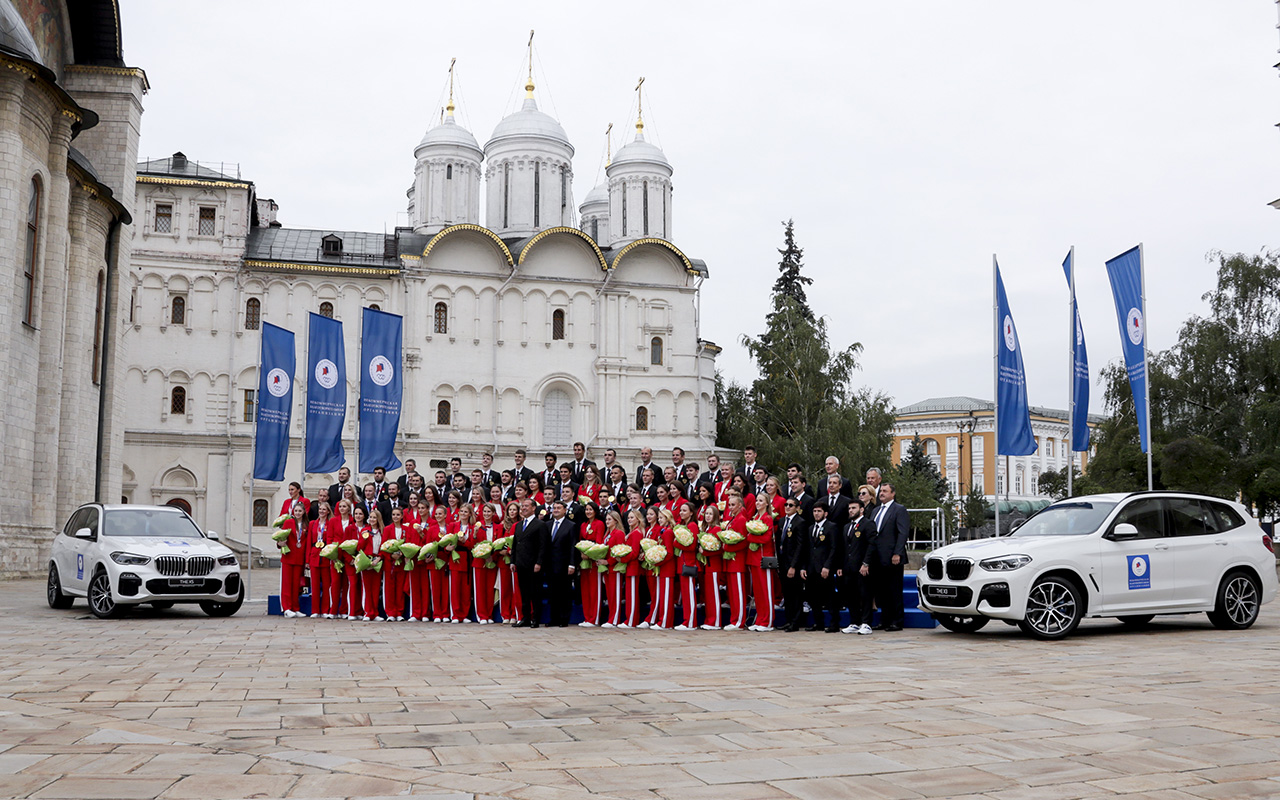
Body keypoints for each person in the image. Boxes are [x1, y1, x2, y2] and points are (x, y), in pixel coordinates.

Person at [871, 483, 909, 631]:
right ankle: (884, 620)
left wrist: (897, 553)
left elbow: (902, 533)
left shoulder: (899, 510)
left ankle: (897, 621)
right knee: (881, 591)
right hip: (878, 557)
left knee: (894, 590)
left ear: (893, 494)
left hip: (893, 556)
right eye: (881, 491)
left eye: (885, 491)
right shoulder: (875, 511)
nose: (881, 493)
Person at [840, 497, 878, 636]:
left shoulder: (868, 524)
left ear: (861, 509)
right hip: (849, 567)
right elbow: (845, 548)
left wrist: (866, 563)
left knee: (865, 594)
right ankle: (854, 622)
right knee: (851, 595)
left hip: (863, 566)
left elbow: (872, 545)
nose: (851, 511)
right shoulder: (846, 526)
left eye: (854, 508)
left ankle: (866, 623)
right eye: (849, 508)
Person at [803, 503, 842, 632]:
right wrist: (804, 567)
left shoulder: (831, 527)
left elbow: (834, 548)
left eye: (819, 511)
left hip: (824, 568)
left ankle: (834, 623)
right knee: (813, 597)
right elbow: (808, 549)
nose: (816, 513)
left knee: (829, 596)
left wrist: (827, 566)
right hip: (811, 568)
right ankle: (818, 622)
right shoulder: (810, 528)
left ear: (825, 513)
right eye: (814, 511)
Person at [512, 498, 550, 628]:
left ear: (534, 508)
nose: (523, 508)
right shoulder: (518, 525)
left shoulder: (540, 524)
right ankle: (526, 618)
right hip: (521, 563)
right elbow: (515, 544)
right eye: (522, 506)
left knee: (535, 593)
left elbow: (543, 546)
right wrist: (513, 561)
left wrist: (539, 562)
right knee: (524, 593)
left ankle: (536, 618)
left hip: (534, 564)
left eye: (526, 506)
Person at [776, 497, 809, 632]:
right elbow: (779, 542)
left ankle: (796, 622)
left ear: (797, 508)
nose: (787, 507)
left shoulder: (800, 522)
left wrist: (794, 566)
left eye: (791, 505)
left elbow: (801, 546)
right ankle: (788, 620)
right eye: (786, 505)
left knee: (796, 594)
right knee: (787, 594)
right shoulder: (782, 521)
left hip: (793, 564)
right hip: (783, 562)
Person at [745, 492, 776, 632]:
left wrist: (751, 537)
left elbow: (766, 539)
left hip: (764, 559)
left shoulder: (767, 518)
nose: (757, 503)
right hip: (754, 558)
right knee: (757, 592)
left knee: (766, 590)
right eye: (757, 500)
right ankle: (760, 619)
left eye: (761, 500)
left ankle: (767, 621)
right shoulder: (755, 518)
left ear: (767, 503)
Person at [545, 499, 578, 627]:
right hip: (550, 565)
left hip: (564, 565)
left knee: (564, 593)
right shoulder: (547, 524)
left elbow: (572, 546)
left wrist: (572, 564)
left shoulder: (571, 525)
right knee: (552, 593)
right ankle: (553, 619)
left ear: (565, 510)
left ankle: (564, 619)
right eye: (554, 508)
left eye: (559, 508)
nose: (556, 510)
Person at [721, 493, 750, 630]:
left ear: (740, 505)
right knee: (732, 593)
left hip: (737, 561)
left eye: (733, 505)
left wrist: (727, 546)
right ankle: (734, 620)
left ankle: (739, 621)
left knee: (738, 593)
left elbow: (744, 542)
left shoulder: (741, 519)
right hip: (731, 561)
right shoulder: (734, 519)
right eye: (729, 505)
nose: (731, 507)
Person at [321, 499, 353, 618]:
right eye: (340, 506)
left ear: (349, 508)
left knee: (346, 583)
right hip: (336, 555)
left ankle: (344, 610)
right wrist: (332, 554)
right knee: (335, 583)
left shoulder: (352, 520)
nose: (342, 509)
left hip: (348, 555)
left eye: (344, 506)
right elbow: (329, 537)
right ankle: (333, 610)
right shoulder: (334, 521)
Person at [277, 501, 310, 617]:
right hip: (288, 557)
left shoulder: (306, 525)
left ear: (304, 512)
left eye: (300, 511)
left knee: (296, 585)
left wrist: (306, 561)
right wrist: (280, 543)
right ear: (293, 512)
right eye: (296, 511)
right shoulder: (288, 523)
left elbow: (307, 543)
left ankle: (295, 608)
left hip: (299, 559)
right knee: (286, 584)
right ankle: (286, 608)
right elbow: (280, 538)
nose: (297, 513)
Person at [470, 503, 501, 624]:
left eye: (489, 512)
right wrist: (475, 534)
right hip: (479, 562)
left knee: (489, 589)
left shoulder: (498, 527)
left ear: (493, 513)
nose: (487, 514)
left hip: (492, 562)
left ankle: (489, 614)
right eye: (485, 512)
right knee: (480, 590)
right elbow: (472, 544)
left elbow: (499, 544)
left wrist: (492, 557)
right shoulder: (477, 527)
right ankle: (481, 615)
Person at [577, 501, 606, 627]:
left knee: (595, 590)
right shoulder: (583, 525)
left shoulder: (599, 524)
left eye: (590, 509)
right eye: (586, 509)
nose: (588, 512)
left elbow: (599, 542)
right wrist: (582, 553)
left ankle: (595, 618)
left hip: (594, 561)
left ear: (595, 511)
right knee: (585, 590)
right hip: (584, 561)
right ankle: (587, 617)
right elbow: (580, 541)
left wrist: (590, 554)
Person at [673, 501, 701, 631]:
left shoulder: (692, 525)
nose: (681, 513)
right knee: (685, 594)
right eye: (681, 510)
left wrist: (677, 543)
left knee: (689, 594)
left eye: (684, 510)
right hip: (682, 562)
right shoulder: (682, 525)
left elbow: (692, 546)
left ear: (691, 512)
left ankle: (690, 622)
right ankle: (686, 620)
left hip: (689, 563)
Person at [617, 509, 646, 627]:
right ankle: (629, 619)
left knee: (632, 595)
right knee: (629, 594)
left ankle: (632, 620)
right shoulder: (633, 532)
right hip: (629, 566)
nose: (629, 520)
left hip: (633, 567)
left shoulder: (637, 533)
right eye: (628, 518)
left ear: (638, 519)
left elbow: (634, 553)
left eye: (632, 518)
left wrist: (622, 559)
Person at [698, 504, 725, 630]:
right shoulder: (706, 530)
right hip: (706, 566)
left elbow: (719, 549)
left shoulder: (717, 529)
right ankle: (709, 620)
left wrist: (705, 552)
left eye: (710, 514)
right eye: (706, 514)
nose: (707, 516)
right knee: (708, 595)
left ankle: (715, 621)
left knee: (713, 594)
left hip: (714, 565)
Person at [601, 510, 628, 628]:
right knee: (610, 594)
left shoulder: (619, 534)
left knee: (615, 595)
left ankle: (614, 619)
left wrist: (608, 561)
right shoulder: (607, 534)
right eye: (606, 519)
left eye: (609, 519)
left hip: (615, 568)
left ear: (616, 521)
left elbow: (619, 551)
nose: (607, 522)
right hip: (607, 568)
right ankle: (611, 618)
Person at [448, 503, 474, 622]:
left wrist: (465, 541)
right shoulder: (453, 526)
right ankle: (455, 614)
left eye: (465, 512)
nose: (463, 514)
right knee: (455, 588)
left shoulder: (472, 527)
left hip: (467, 559)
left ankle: (464, 614)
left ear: (470, 514)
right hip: (455, 558)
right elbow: (446, 541)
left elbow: (473, 544)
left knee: (466, 589)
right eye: (461, 511)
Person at [401, 503, 428, 622]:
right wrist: (408, 554)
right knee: (414, 586)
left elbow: (430, 539)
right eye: (419, 508)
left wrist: (422, 532)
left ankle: (426, 613)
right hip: (414, 558)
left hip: (426, 559)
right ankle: (415, 613)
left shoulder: (431, 523)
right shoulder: (413, 522)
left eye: (423, 508)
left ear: (427, 509)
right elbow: (409, 539)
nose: (421, 510)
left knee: (425, 587)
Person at [382, 506, 409, 621]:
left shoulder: (406, 529)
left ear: (402, 516)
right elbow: (383, 546)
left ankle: (399, 612)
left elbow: (408, 544)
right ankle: (390, 613)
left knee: (399, 588)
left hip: (401, 563)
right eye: (394, 515)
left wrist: (403, 553)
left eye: (398, 515)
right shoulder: (388, 529)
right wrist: (391, 555)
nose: (396, 517)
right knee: (389, 588)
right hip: (390, 563)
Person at [424, 504, 450, 622]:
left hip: (447, 561)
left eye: (440, 514)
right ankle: (437, 614)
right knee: (435, 588)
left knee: (445, 589)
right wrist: (428, 557)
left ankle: (445, 613)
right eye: (436, 514)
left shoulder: (450, 528)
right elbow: (428, 545)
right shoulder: (431, 529)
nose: (438, 516)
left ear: (445, 515)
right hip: (434, 561)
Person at [498, 501, 522, 623]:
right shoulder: (503, 525)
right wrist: (502, 551)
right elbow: (497, 541)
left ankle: (514, 614)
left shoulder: (521, 524)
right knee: (505, 588)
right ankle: (505, 614)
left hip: (516, 560)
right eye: (510, 510)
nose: (512, 512)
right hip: (504, 561)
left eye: (514, 509)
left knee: (515, 588)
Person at [357, 508, 384, 620]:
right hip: (367, 562)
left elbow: (384, 547)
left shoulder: (382, 531)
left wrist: (379, 558)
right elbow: (359, 548)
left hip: (377, 561)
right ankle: (367, 612)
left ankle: (375, 613)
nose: (372, 519)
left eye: (374, 517)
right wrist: (363, 537)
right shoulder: (365, 531)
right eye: (371, 517)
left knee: (376, 588)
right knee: (367, 588)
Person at [306, 501, 332, 617]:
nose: (321, 511)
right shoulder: (312, 523)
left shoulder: (330, 523)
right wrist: (307, 560)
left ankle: (325, 610)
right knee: (314, 585)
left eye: (324, 509)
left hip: (326, 555)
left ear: (328, 512)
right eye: (320, 509)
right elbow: (308, 543)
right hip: (314, 555)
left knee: (326, 585)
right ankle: (315, 610)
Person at [342, 504, 365, 620]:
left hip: (363, 562)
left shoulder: (367, 529)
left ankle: (361, 611)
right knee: (353, 584)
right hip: (351, 563)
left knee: (362, 586)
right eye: (356, 514)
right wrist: (349, 560)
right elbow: (344, 546)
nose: (358, 516)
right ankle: (352, 612)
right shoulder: (349, 529)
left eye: (360, 514)